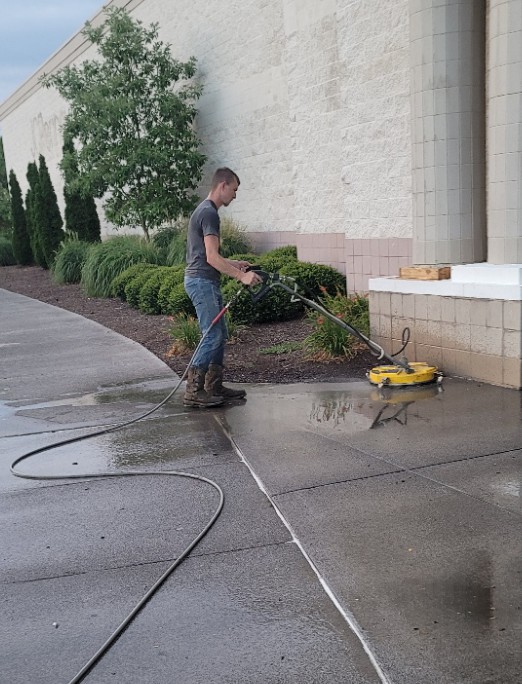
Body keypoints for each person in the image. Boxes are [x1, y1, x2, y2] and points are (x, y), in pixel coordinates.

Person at [183, 167, 263, 408]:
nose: (235, 195)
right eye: (234, 190)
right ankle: (193, 391)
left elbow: (209, 255)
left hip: (204, 280)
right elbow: (211, 258)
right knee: (212, 334)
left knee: (219, 334)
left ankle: (214, 387)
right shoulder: (209, 213)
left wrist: (233, 264)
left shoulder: (205, 210)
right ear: (223, 185)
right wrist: (241, 276)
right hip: (201, 282)